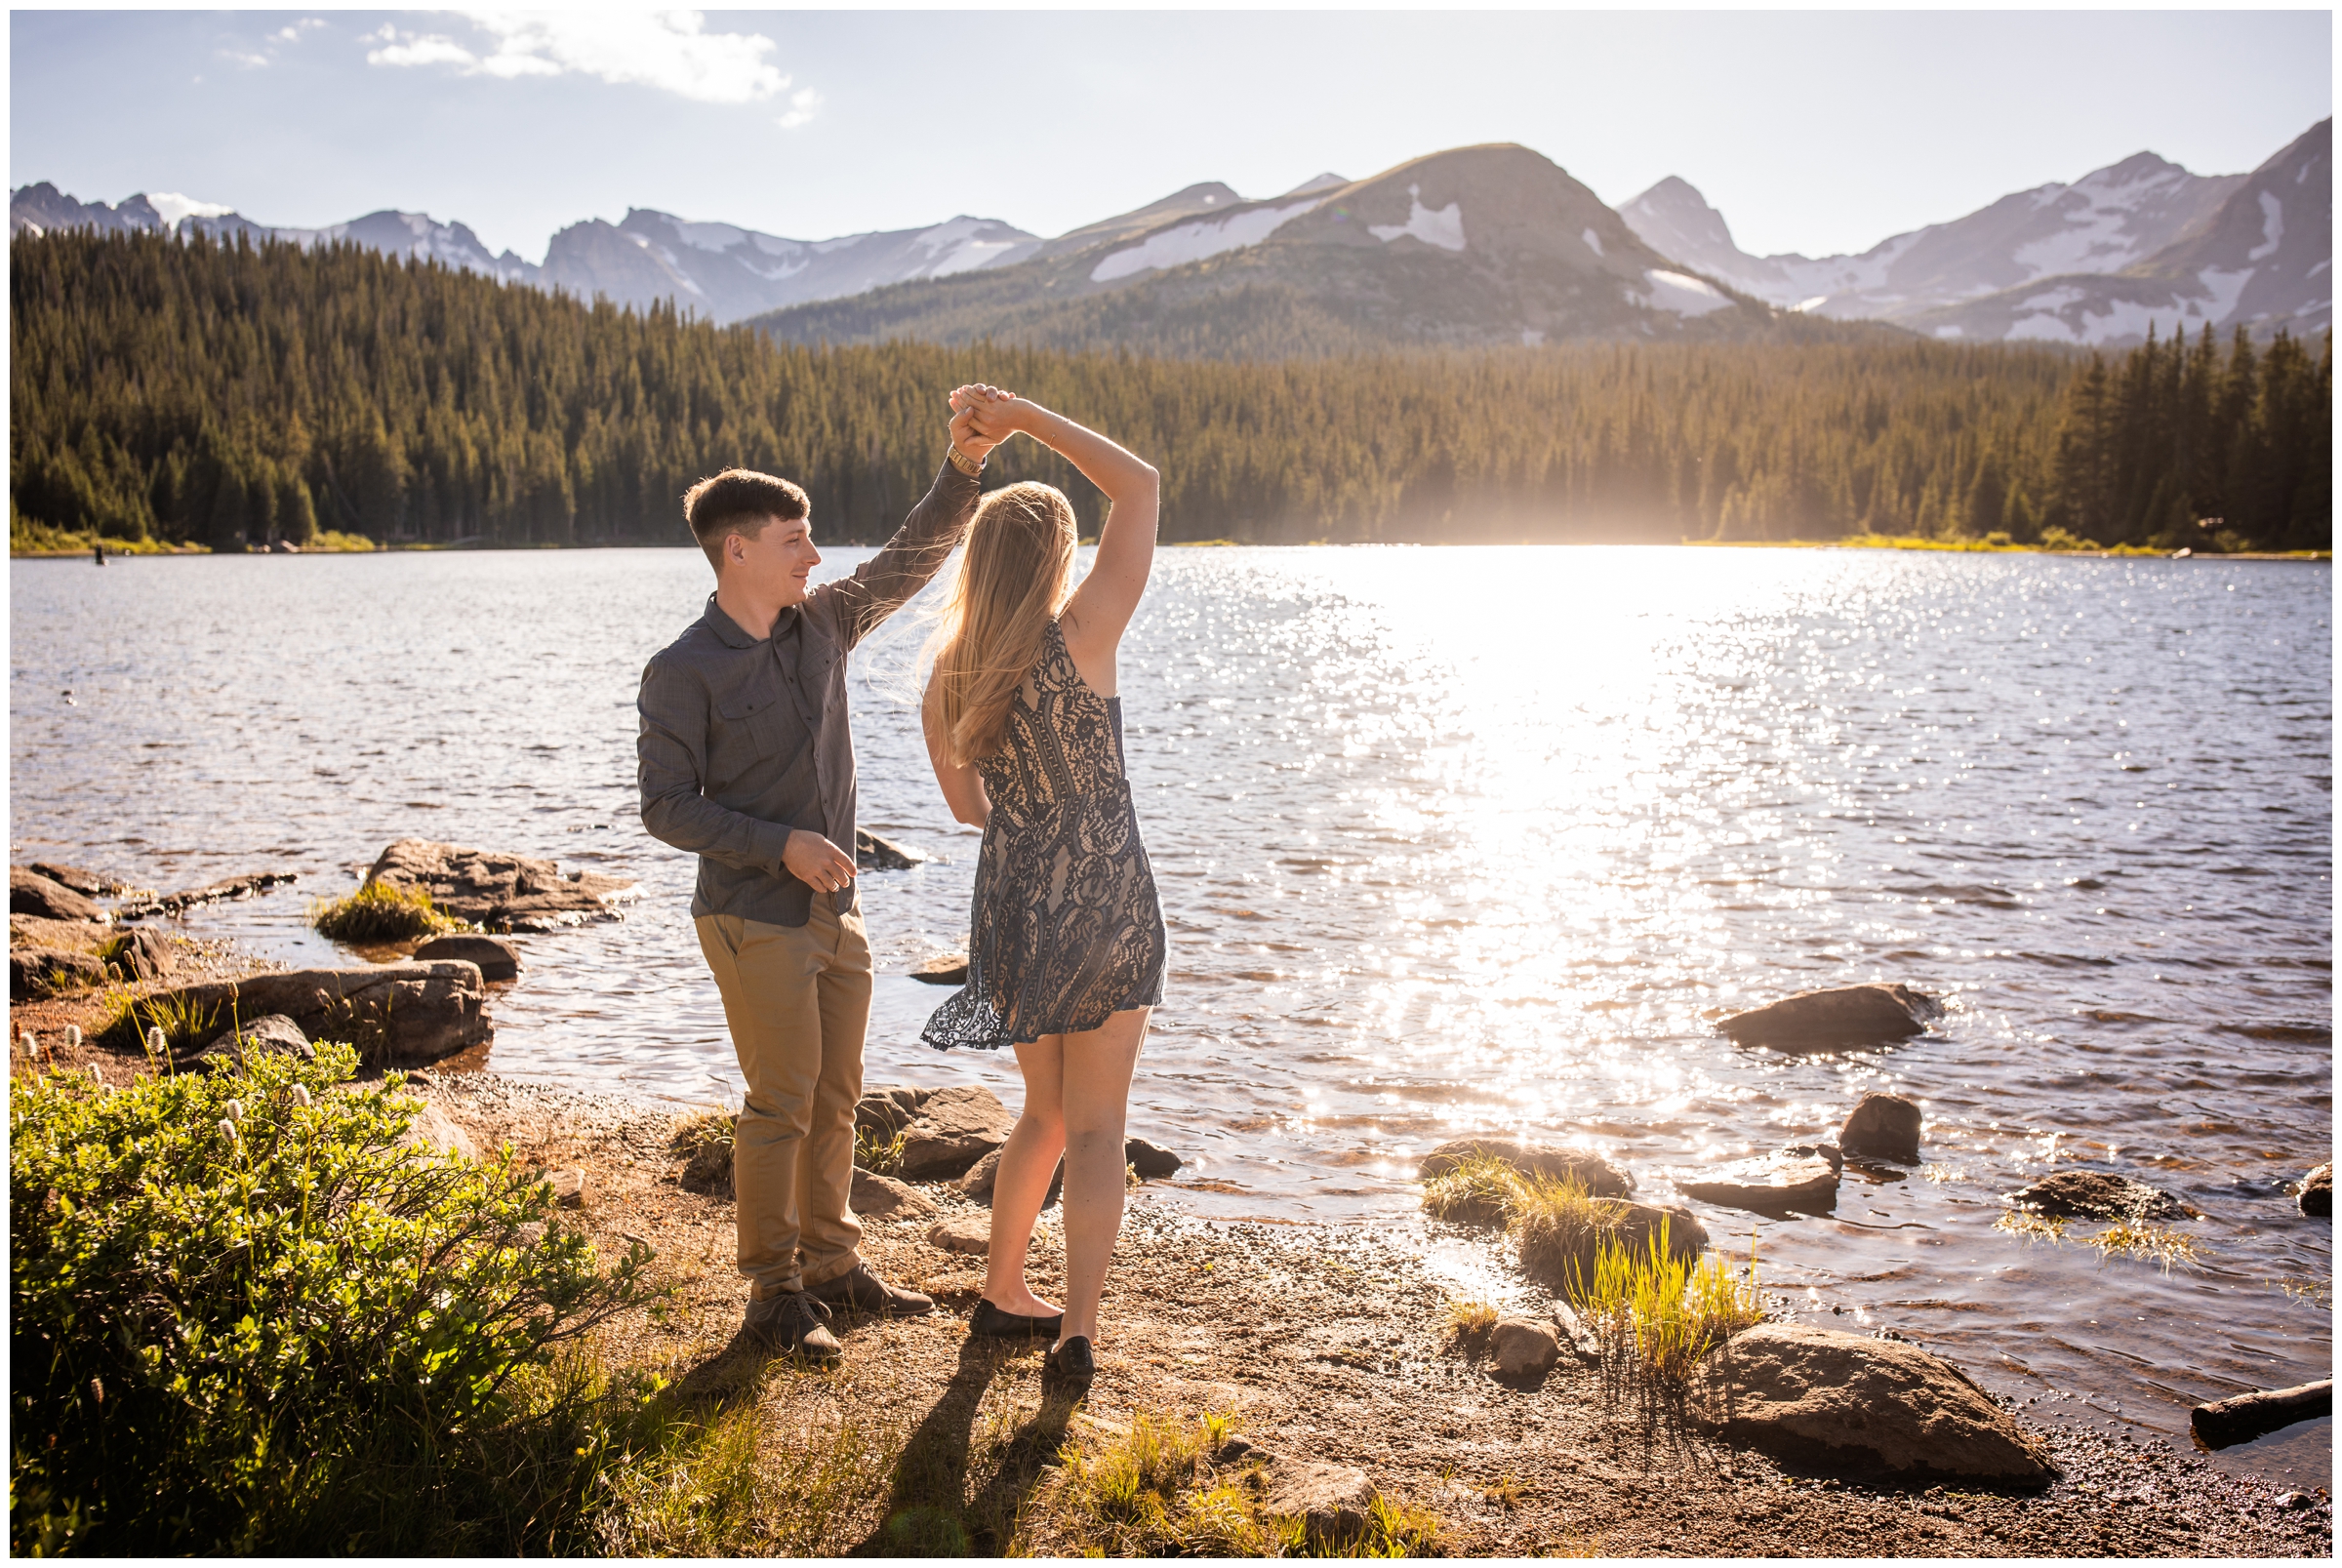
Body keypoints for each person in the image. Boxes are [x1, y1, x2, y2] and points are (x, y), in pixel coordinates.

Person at [637, 390, 1005, 1363]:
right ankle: (772, 1293)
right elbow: (666, 808)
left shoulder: (825, 622)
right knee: (780, 1102)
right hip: (753, 914)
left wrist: (961, 468)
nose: (814, 556)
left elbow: (910, 559)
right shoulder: (683, 669)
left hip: (837, 914)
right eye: (797, 540)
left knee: (837, 1096)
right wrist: (780, 843)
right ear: (741, 551)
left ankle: (835, 1265)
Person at [918, 386, 1166, 1384]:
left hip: (1015, 904)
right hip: (1106, 898)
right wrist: (1023, 416)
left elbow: (967, 811)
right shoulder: (1085, 631)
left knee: (1043, 1116)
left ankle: (1002, 1286)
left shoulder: (949, 672)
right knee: (1100, 1127)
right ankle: (1076, 1334)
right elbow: (1141, 485)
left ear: (979, 562)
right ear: (1058, 558)